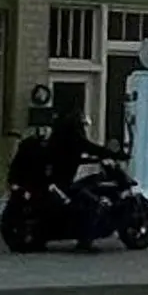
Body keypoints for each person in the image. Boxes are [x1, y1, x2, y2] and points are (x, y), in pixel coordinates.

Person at [46, 101, 118, 250]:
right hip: (64, 178)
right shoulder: (71, 130)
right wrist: (107, 153)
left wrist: (90, 158)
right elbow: (85, 145)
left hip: (59, 174)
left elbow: (76, 151)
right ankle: (86, 240)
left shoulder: (59, 130)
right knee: (92, 202)